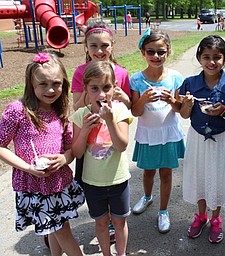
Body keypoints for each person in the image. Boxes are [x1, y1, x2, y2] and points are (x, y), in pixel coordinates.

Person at [0, 52, 85, 255]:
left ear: (63, 83)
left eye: (56, 83)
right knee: (62, 231)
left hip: (59, 183)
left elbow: (69, 150)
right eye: (43, 84)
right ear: (31, 84)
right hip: (35, 187)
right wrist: (28, 167)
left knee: (58, 227)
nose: (50, 89)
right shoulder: (17, 111)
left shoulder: (62, 111)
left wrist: (64, 158)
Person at [71, 20, 131, 242]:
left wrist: (122, 96)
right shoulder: (80, 72)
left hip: (112, 132)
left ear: (112, 45)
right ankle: (66, 221)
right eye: (93, 45)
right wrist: (94, 93)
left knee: (112, 176)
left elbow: (128, 105)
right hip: (88, 131)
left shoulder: (121, 72)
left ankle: (115, 224)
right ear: (86, 47)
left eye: (104, 45)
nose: (99, 51)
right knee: (88, 177)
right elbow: (76, 105)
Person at [179, 35, 225, 243]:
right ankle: (201, 215)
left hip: (222, 138)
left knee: (218, 177)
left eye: (217, 57)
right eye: (206, 57)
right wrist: (187, 103)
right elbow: (185, 114)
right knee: (200, 176)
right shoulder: (190, 83)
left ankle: (216, 219)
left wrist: (223, 111)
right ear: (199, 58)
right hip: (197, 138)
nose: (211, 62)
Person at [130, 28, 185, 234]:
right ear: (143, 53)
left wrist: (172, 100)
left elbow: (180, 109)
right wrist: (143, 99)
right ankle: (146, 197)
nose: (156, 56)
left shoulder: (175, 77)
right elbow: (135, 111)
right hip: (147, 133)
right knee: (148, 171)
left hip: (169, 133)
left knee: (166, 173)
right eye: (150, 51)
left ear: (168, 51)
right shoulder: (136, 79)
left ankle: (163, 211)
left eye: (161, 51)